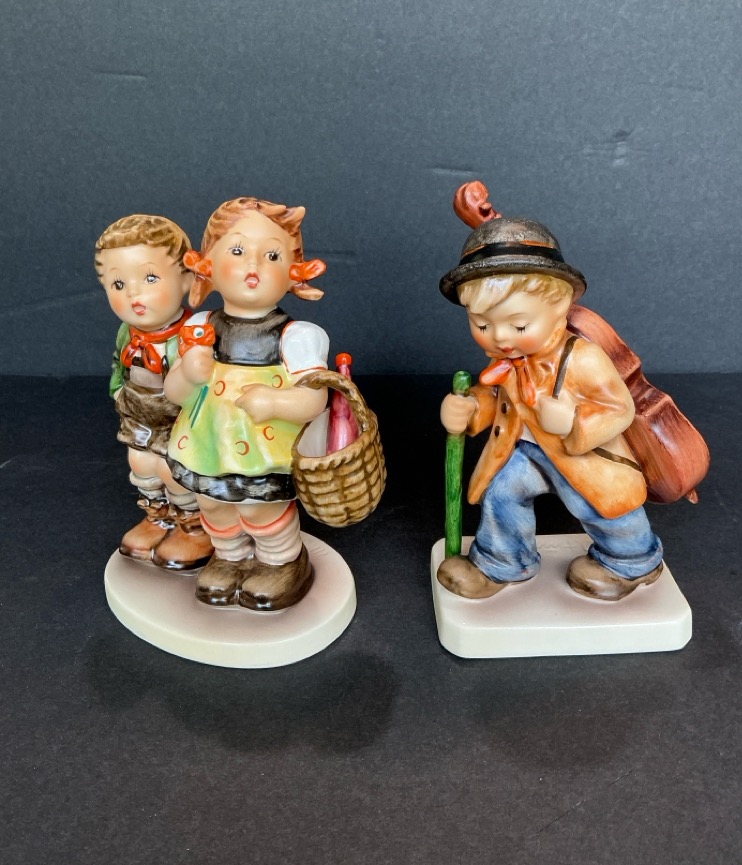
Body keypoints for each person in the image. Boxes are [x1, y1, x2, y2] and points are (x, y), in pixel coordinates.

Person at [437, 197, 664, 602]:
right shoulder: (507, 359)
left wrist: (575, 423)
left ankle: (633, 560)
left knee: (597, 505)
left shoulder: (583, 358)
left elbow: (619, 410)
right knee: (502, 493)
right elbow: (496, 397)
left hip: (585, 457)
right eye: (482, 325)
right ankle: (503, 562)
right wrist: (470, 409)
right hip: (526, 450)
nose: (500, 337)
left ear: (560, 305)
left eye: (519, 324)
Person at [164, 197, 329, 610]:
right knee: (212, 502)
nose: (253, 266)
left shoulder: (296, 336)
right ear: (207, 265)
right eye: (237, 251)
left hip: (264, 445)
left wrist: (276, 401)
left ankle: (280, 560)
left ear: (294, 272)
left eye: (272, 256)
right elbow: (175, 395)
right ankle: (229, 557)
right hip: (207, 442)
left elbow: (315, 397)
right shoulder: (199, 327)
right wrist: (189, 375)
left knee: (260, 507)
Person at [96, 214, 213, 570]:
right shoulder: (126, 332)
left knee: (172, 470)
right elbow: (118, 365)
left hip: (179, 420)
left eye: (149, 278)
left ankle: (193, 526)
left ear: (187, 279)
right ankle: (158, 517)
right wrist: (118, 392)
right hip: (138, 412)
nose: (133, 294)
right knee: (141, 462)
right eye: (118, 283)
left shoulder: (193, 333)